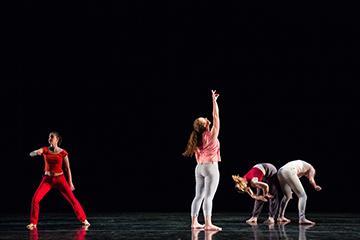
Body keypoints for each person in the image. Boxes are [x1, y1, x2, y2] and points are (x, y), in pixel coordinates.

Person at [26, 131, 90, 230]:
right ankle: (33, 223)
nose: (49, 139)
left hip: (60, 179)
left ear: (57, 139)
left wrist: (70, 182)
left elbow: (68, 168)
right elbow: (31, 154)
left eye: (51, 137)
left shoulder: (63, 152)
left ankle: (84, 219)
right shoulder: (45, 149)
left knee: (72, 199)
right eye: (49, 137)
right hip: (47, 180)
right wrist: (35, 153)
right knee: (35, 199)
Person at [183, 90, 222, 231]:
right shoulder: (211, 135)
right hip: (211, 168)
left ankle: (194, 222)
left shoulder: (196, 138)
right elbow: (216, 116)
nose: (207, 118)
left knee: (198, 196)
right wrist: (214, 101)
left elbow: (212, 117)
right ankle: (207, 224)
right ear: (206, 125)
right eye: (205, 120)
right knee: (209, 197)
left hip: (199, 168)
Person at [277, 160, 322, 224]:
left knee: (287, 196)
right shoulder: (311, 168)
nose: (307, 176)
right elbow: (311, 179)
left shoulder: (301, 167)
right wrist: (315, 186)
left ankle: (280, 217)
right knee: (303, 196)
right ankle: (302, 218)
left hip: (280, 171)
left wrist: (291, 189)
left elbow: (291, 180)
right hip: (289, 171)